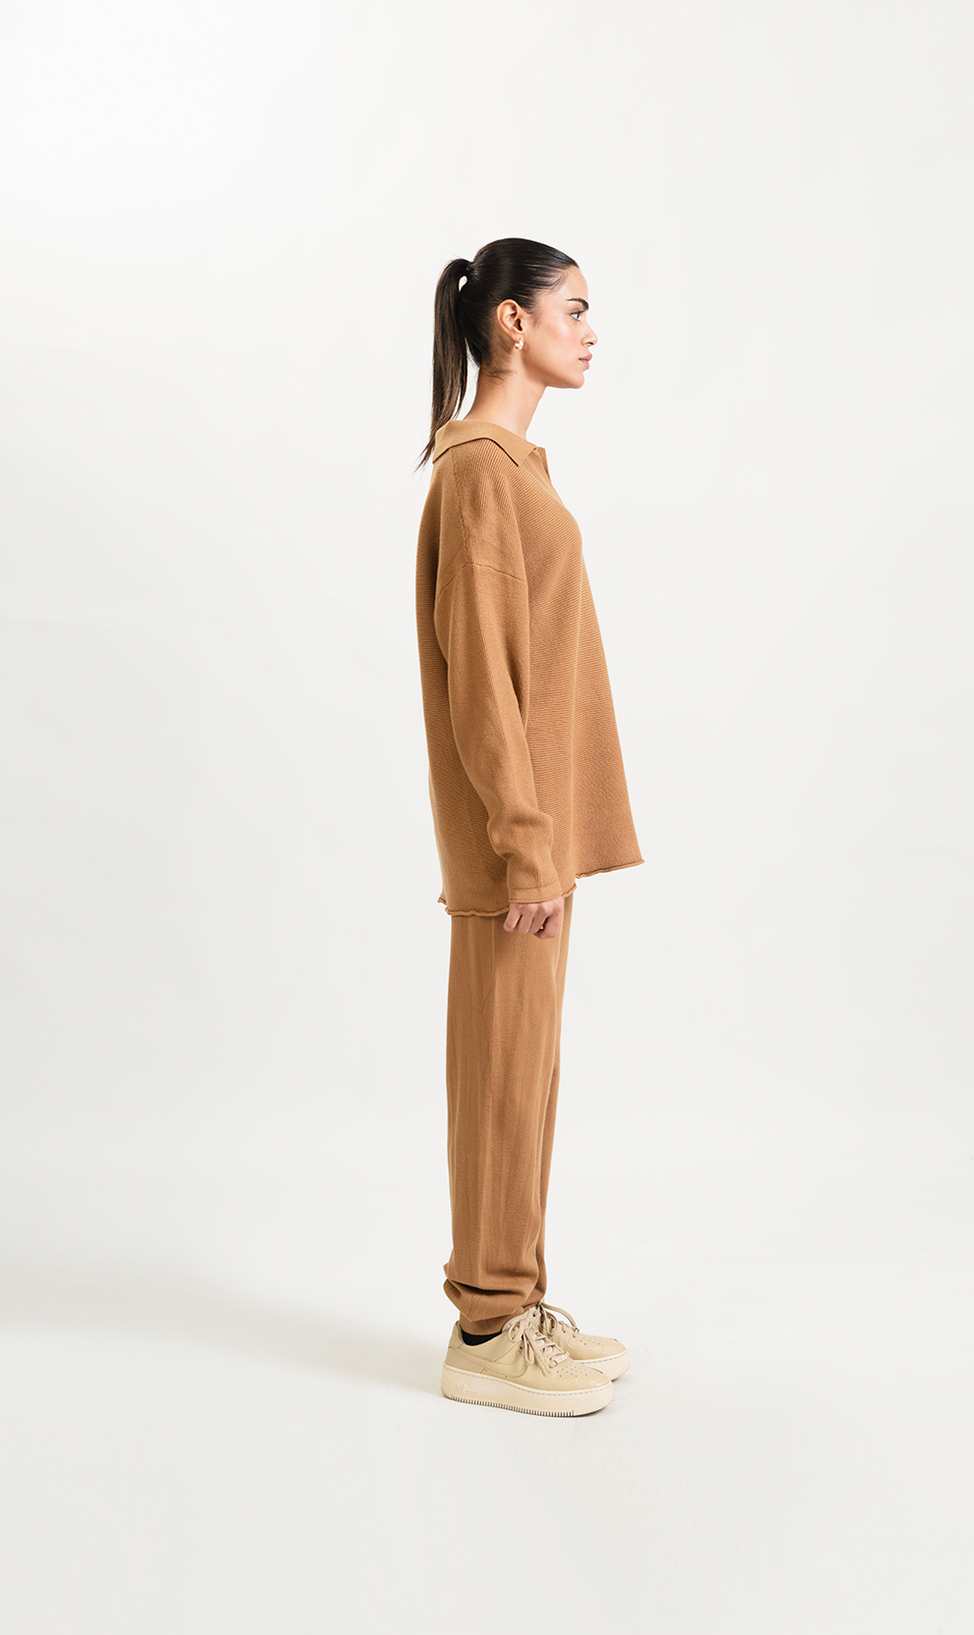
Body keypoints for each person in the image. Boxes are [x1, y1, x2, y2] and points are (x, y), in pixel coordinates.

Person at [414, 238, 643, 1416]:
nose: (592, 332)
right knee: (504, 1077)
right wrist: (521, 840)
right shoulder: (478, 471)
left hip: (536, 837)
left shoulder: (510, 467)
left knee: (527, 1075)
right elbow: (478, 678)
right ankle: (487, 1330)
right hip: (518, 847)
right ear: (512, 321)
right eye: (575, 309)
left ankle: (515, 1303)